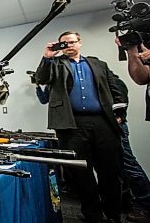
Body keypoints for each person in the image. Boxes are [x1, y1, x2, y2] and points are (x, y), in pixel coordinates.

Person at [35, 31, 124, 223]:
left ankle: (113, 214)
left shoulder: (98, 64)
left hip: (103, 123)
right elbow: (41, 79)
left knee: (110, 171)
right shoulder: (56, 64)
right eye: (63, 44)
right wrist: (46, 57)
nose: (68, 45)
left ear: (79, 43)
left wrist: (119, 114)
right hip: (71, 124)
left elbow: (117, 88)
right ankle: (92, 215)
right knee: (81, 174)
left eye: (71, 42)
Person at [112, 76, 150, 223]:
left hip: (116, 128)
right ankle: (128, 202)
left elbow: (121, 92)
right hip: (104, 128)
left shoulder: (111, 79)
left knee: (129, 166)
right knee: (116, 168)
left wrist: (119, 115)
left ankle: (144, 206)